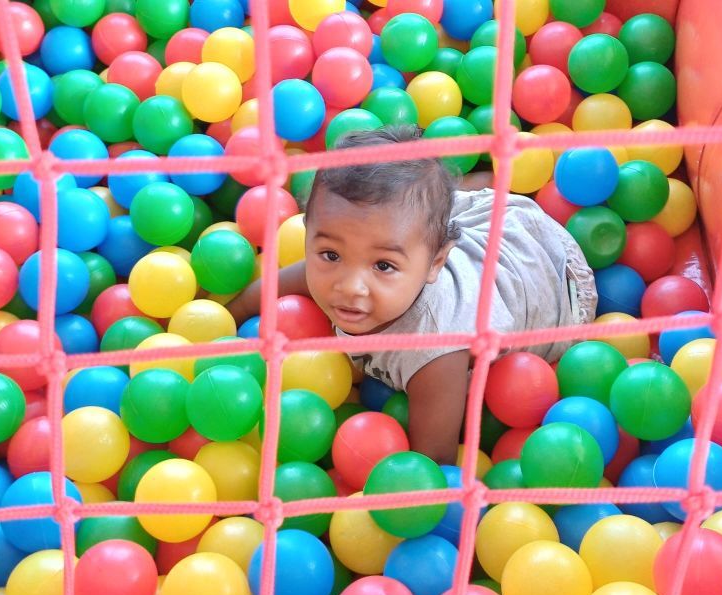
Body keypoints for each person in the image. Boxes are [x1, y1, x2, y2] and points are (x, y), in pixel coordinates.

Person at [229, 125, 597, 465]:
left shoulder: (435, 352)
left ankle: (494, 185)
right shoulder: (358, 254)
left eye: (383, 266)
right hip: (467, 231)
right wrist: (227, 319)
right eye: (330, 255)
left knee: (426, 218)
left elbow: (433, 461)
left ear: (435, 264)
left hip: (550, 273)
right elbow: (267, 290)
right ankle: (472, 188)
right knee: (419, 217)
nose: (350, 286)